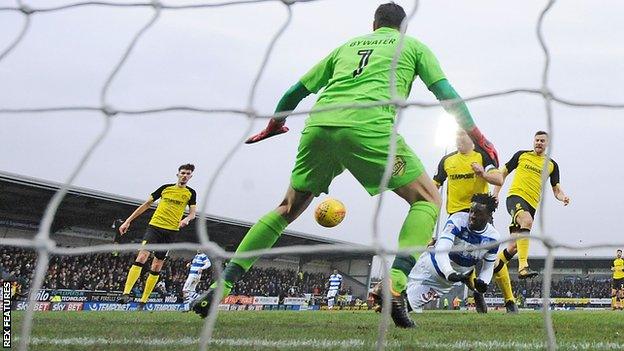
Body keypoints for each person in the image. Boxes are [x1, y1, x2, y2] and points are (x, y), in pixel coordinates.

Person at [191, 3, 498, 329]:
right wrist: (479, 138)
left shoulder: (346, 47)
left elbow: (295, 92)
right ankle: (394, 282)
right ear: (403, 27)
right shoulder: (413, 46)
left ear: (374, 24)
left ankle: (221, 285)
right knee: (427, 199)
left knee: (286, 209)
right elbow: (446, 93)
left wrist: (273, 126)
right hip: (369, 129)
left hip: (319, 126)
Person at [433, 129, 512, 313]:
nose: (458, 139)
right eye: (456, 136)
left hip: (480, 212)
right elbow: (434, 185)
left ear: (471, 138)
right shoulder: (447, 160)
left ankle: (509, 301)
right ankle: (475, 289)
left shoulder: (482, 155)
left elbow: (499, 179)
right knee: (459, 258)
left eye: (462, 135)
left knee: (490, 257)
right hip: (456, 216)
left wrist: (483, 173)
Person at [116, 163, 197, 309]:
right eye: (183, 173)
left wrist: (186, 219)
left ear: (191, 176)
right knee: (141, 257)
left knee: (157, 265)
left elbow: (192, 213)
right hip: (155, 227)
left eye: (188, 174)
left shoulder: (191, 193)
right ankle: (126, 293)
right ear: (177, 174)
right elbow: (146, 204)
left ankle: (143, 301)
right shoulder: (165, 188)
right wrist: (128, 221)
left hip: (171, 231)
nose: (184, 176)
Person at [404, 194, 500, 314]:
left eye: (478, 213)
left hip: (442, 283)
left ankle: (478, 295)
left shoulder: (493, 238)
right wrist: (449, 273)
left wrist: (483, 282)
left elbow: (488, 267)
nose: (472, 216)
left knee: (404, 306)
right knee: (394, 290)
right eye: (471, 211)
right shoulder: (458, 220)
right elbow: (442, 250)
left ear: (489, 216)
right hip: (428, 267)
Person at [493, 131, 570, 280]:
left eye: (542, 141)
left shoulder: (552, 165)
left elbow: (556, 190)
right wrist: (496, 193)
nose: (539, 143)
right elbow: (502, 173)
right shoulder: (521, 155)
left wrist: (563, 197)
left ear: (547, 144)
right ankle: (523, 266)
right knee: (527, 221)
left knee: (514, 247)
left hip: (531, 205)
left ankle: (493, 266)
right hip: (515, 197)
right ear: (533, 141)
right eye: (537, 140)